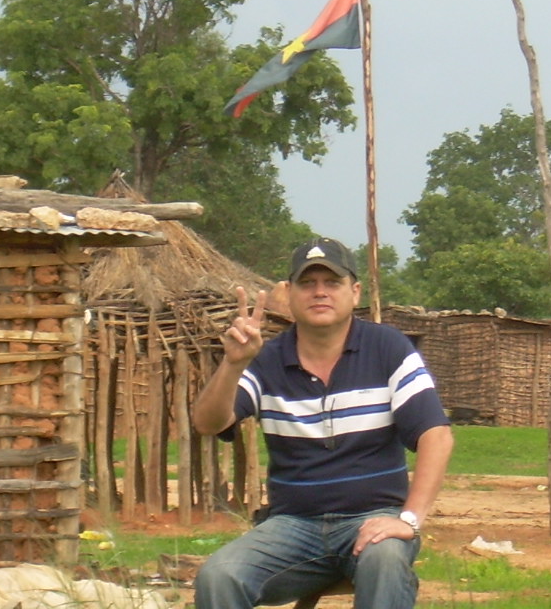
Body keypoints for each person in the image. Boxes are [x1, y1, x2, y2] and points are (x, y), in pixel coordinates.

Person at [192, 237, 453, 609]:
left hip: (372, 521)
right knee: (219, 576)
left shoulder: (389, 349)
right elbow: (208, 423)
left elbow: (436, 436)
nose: (320, 293)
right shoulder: (266, 359)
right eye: (307, 283)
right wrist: (233, 363)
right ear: (289, 292)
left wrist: (408, 519)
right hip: (292, 526)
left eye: (332, 283)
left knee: (386, 559)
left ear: (354, 291)